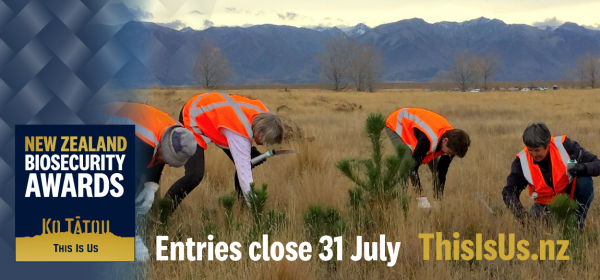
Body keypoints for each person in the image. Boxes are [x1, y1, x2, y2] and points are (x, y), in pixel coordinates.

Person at [93, 102, 197, 261]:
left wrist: (151, 186)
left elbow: (159, 159)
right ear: (161, 146)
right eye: (166, 157)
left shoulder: (176, 132)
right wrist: (135, 242)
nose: (166, 162)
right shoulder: (142, 145)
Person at [162, 92, 284, 217]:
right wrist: (256, 210)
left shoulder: (265, 115)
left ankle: (243, 211)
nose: (263, 144)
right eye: (264, 140)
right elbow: (244, 175)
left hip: (214, 113)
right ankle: (161, 214)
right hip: (194, 116)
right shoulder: (239, 134)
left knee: (249, 161)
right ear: (259, 131)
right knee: (194, 175)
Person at [502, 122, 600, 229]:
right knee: (532, 230)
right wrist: (521, 214)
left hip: (568, 199)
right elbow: (509, 191)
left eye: (537, 150)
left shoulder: (565, 146)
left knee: (584, 181)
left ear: (547, 144)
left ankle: (576, 226)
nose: (533, 154)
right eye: (530, 150)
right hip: (543, 205)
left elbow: (597, 164)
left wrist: (581, 168)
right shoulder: (522, 161)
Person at [385, 107, 470, 199]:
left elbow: (441, 171)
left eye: (453, 154)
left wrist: (438, 200)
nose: (450, 156)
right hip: (397, 122)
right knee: (406, 162)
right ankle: (400, 198)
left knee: (436, 166)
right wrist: (421, 197)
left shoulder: (453, 143)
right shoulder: (427, 140)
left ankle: (437, 200)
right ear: (445, 141)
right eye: (449, 152)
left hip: (424, 132)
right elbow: (412, 167)